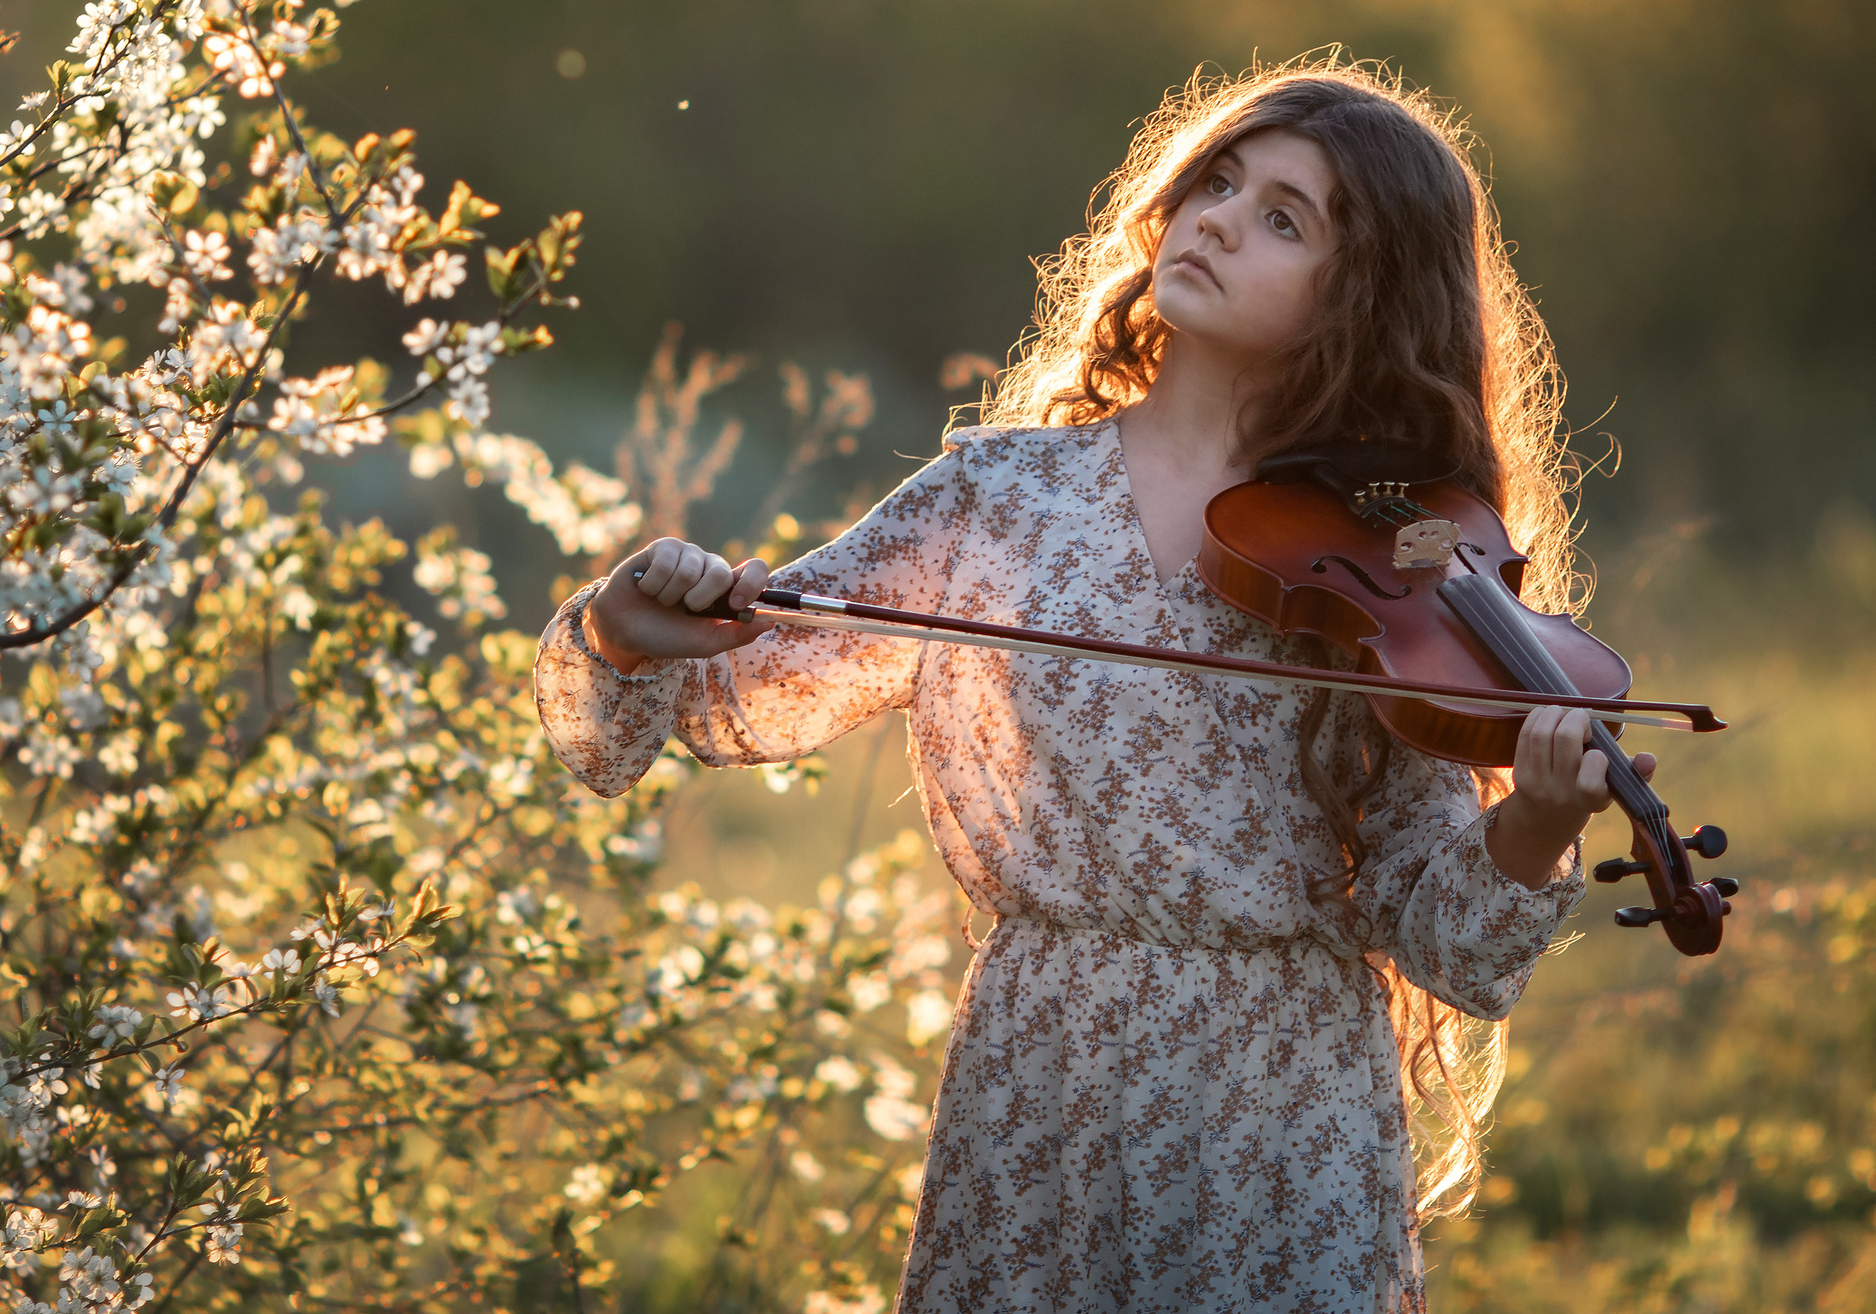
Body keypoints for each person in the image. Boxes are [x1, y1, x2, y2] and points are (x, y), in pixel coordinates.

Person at [534, 65, 1648, 1312]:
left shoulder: (1389, 563)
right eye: (1217, 183)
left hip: (1281, 1107)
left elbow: (1440, 936)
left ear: (1366, 298)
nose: (1218, 220)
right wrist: (632, 628)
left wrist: (1536, 820)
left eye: (1284, 219)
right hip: (1040, 1077)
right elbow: (735, 691)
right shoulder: (997, 496)